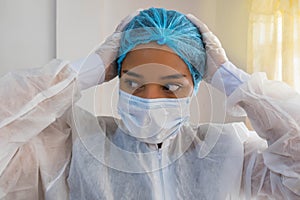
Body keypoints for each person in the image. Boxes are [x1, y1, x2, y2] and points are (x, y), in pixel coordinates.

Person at [0, 7, 299, 200]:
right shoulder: (73, 146)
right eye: (134, 83)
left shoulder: (231, 152)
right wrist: (80, 73)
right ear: (114, 79)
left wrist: (234, 81)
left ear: (195, 86)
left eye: (170, 87)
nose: (150, 98)